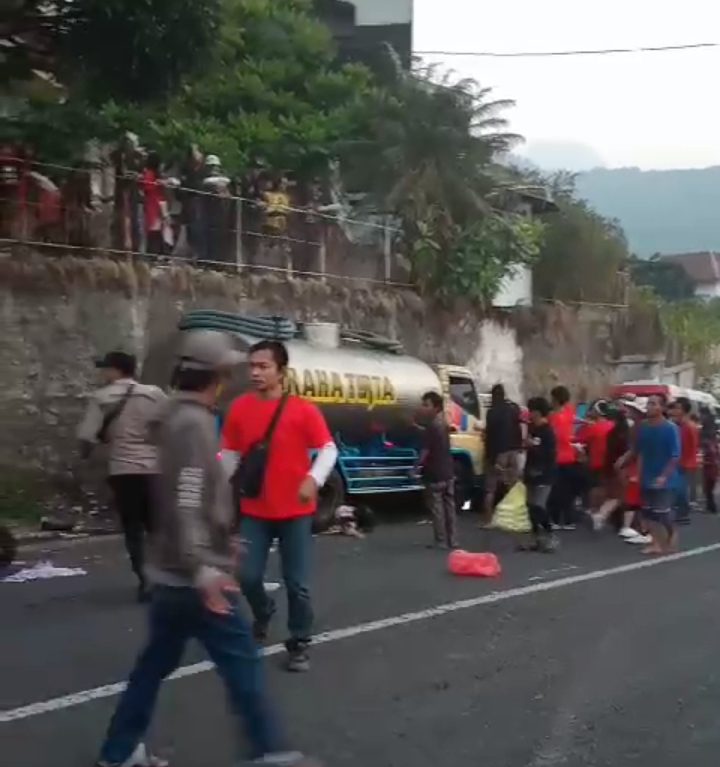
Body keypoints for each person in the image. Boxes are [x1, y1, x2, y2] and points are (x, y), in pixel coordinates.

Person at [94, 332, 318, 767]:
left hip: (169, 573)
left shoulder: (174, 417)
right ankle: (270, 751)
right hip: (193, 579)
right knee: (243, 665)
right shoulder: (194, 425)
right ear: (217, 376)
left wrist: (219, 535)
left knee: (152, 667)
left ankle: (118, 751)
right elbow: (186, 499)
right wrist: (203, 566)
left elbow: (186, 495)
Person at [221, 340, 337, 673]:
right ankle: (263, 611)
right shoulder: (239, 408)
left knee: (297, 583)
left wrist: (313, 479)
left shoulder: (303, 410)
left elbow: (327, 449)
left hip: (296, 513)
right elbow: (228, 455)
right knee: (247, 576)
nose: (255, 372)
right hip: (254, 510)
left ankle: (299, 642)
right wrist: (216, 487)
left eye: (263, 366)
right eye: (252, 366)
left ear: (281, 371)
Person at [78, 352, 167, 601]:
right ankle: (164, 574)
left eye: (105, 369)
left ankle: (145, 577)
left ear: (116, 370)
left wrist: (86, 455)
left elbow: (86, 436)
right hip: (155, 469)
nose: (103, 373)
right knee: (157, 526)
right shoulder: (155, 394)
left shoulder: (102, 397)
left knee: (132, 527)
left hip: (124, 470)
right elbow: (171, 425)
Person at [620, 393, 680, 555]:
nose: (649, 407)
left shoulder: (670, 428)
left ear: (662, 407)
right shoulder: (644, 427)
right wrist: (624, 461)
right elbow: (637, 449)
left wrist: (664, 476)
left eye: (653, 404)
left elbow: (675, 456)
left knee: (662, 513)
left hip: (665, 479)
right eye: (648, 403)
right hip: (646, 475)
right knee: (647, 513)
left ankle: (672, 532)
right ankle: (656, 543)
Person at [417, 391, 458, 550]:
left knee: (437, 508)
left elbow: (425, 450)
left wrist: (415, 467)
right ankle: (453, 540)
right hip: (448, 471)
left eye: (426, 405)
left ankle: (441, 540)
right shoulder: (443, 423)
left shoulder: (432, 426)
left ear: (436, 407)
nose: (423, 408)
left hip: (435, 472)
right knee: (450, 507)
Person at [521, 396, 558, 552]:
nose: (529, 414)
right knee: (530, 507)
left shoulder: (548, 431)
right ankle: (535, 538)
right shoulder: (532, 428)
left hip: (544, 474)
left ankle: (551, 535)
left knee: (538, 506)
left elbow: (549, 454)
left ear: (537, 412)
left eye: (531, 411)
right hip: (530, 472)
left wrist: (533, 447)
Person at [482, 383, 522, 521]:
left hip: (499, 453)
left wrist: (490, 458)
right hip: (513, 452)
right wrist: (519, 447)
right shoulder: (513, 409)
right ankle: (514, 518)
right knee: (512, 486)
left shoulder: (492, 412)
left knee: (490, 488)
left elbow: (490, 437)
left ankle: (488, 519)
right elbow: (518, 429)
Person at [548, 385, 579, 530]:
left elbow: (555, 436)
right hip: (570, 456)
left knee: (555, 490)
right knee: (568, 491)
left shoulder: (553, 417)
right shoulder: (570, 411)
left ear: (555, 399)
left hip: (556, 457)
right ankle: (568, 520)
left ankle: (554, 519)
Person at [669, 397, 699, 526]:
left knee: (680, 489)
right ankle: (680, 512)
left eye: (678, 408)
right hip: (678, 462)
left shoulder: (689, 426)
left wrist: (688, 461)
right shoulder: (678, 425)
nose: (675, 410)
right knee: (677, 488)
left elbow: (693, 446)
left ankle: (683, 514)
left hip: (685, 462)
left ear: (684, 410)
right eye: (675, 407)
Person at [141, 151, 169, 256]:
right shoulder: (151, 174)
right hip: (155, 202)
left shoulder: (154, 174)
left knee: (158, 229)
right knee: (155, 229)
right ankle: (154, 253)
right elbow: (148, 187)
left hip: (157, 203)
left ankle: (157, 253)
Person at [700, 406, 718, 514]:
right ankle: (711, 507)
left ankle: (711, 507)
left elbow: (711, 453)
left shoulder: (707, 438)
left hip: (710, 465)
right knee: (709, 488)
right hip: (712, 465)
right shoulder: (711, 427)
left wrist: (705, 461)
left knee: (708, 487)